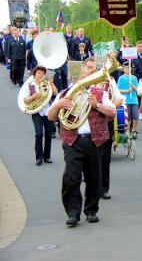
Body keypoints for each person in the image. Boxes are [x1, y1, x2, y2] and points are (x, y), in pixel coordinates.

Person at [47, 64, 116, 227]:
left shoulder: (99, 93)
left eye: (86, 76)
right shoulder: (65, 94)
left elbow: (112, 112)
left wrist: (97, 105)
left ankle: (91, 210)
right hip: (72, 141)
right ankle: (73, 212)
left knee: (94, 178)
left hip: (94, 140)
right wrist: (58, 105)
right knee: (71, 177)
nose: (82, 79)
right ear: (74, 77)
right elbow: (50, 116)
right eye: (80, 76)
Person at [23, 66, 58, 165]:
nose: (41, 75)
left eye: (43, 73)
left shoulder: (46, 83)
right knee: (38, 134)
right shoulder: (30, 85)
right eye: (39, 73)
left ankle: (47, 156)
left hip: (47, 111)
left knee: (48, 134)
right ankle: (39, 157)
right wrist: (33, 97)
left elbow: (55, 92)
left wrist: (51, 82)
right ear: (34, 75)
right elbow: (25, 100)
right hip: (37, 112)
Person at [101, 76, 124, 199]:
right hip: (90, 123)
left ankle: (104, 188)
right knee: (91, 157)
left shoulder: (111, 81)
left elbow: (120, 98)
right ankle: (92, 187)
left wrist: (108, 107)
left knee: (105, 156)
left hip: (107, 120)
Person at [117, 61, 139, 139]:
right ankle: (127, 131)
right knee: (128, 117)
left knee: (135, 116)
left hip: (134, 99)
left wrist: (132, 86)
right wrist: (127, 91)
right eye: (126, 67)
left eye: (129, 67)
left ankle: (134, 131)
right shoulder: (121, 78)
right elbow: (118, 89)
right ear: (123, 69)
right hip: (125, 100)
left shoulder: (134, 78)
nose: (127, 69)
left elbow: (138, 90)